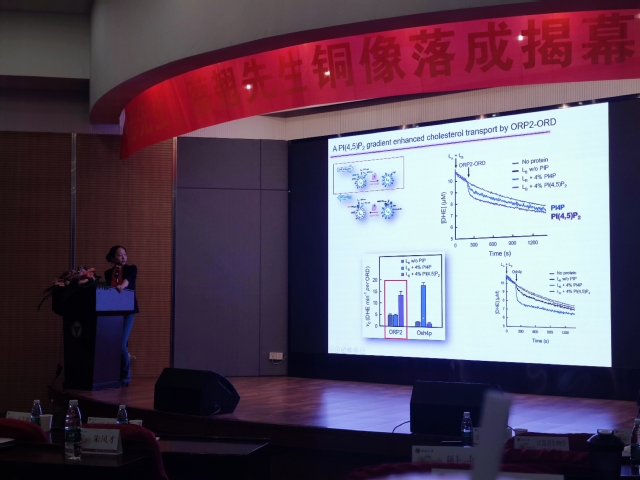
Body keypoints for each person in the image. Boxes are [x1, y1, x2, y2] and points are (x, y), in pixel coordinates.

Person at [104, 245, 139, 387]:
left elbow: (129, 279)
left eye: (125, 254)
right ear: (113, 258)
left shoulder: (132, 268)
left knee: (121, 344)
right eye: (119, 255)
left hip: (129, 310)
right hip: (114, 311)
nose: (123, 257)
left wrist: (122, 286)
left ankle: (126, 378)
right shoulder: (108, 273)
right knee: (114, 344)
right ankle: (115, 376)